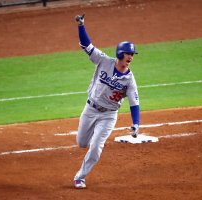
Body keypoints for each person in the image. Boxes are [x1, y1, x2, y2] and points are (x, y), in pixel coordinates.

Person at [73, 14, 140, 189]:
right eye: (128, 53)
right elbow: (86, 46)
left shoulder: (130, 80)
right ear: (120, 53)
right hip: (90, 109)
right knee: (81, 143)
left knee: (96, 146)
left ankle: (80, 177)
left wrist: (136, 123)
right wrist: (81, 25)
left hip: (108, 115)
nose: (130, 57)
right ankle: (89, 136)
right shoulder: (103, 61)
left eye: (132, 54)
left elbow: (134, 102)